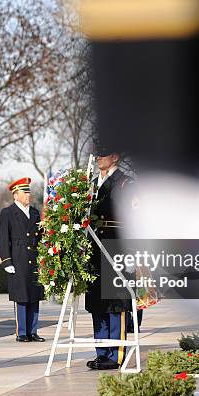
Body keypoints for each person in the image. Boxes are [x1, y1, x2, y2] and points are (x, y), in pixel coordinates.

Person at [85, 150, 133, 370]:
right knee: (97, 303)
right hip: (94, 250)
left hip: (116, 249)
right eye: (97, 155)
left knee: (115, 303)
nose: (98, 158)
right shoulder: (92, 184)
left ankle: (116, 354)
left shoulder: (125, 183)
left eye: (103, 154)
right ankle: (102, 352)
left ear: (115, 157)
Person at [0, 177, 45, 342]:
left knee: (34, 295)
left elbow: (40, 236)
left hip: (34, 257)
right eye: (25, 192)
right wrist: (7, 261)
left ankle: (33, 330)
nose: (28, 195)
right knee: (21, 296)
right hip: (18, 258)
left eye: (29, 192)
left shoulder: (35, 212)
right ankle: (22, 332)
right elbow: (3, 238)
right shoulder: (8, 213)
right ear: (15, 195)